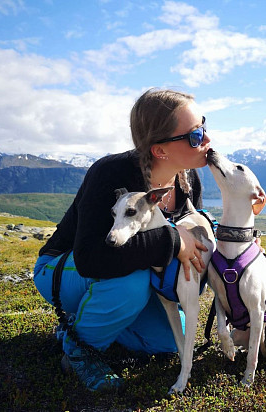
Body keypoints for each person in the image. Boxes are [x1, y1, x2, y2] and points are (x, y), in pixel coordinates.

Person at [33, 88, 211, 391]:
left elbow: (195, 234)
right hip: (63, 271)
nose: (207, 140)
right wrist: (172, 241)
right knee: (132, 281)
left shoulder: (187, 178)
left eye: (204, 126)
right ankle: (78, 352)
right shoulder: (110, 173)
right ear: (160, 150)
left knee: (170, 339)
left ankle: (80, 324)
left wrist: (238, 244)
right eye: (195, 135)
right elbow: (92, 260)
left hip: (121, 277)